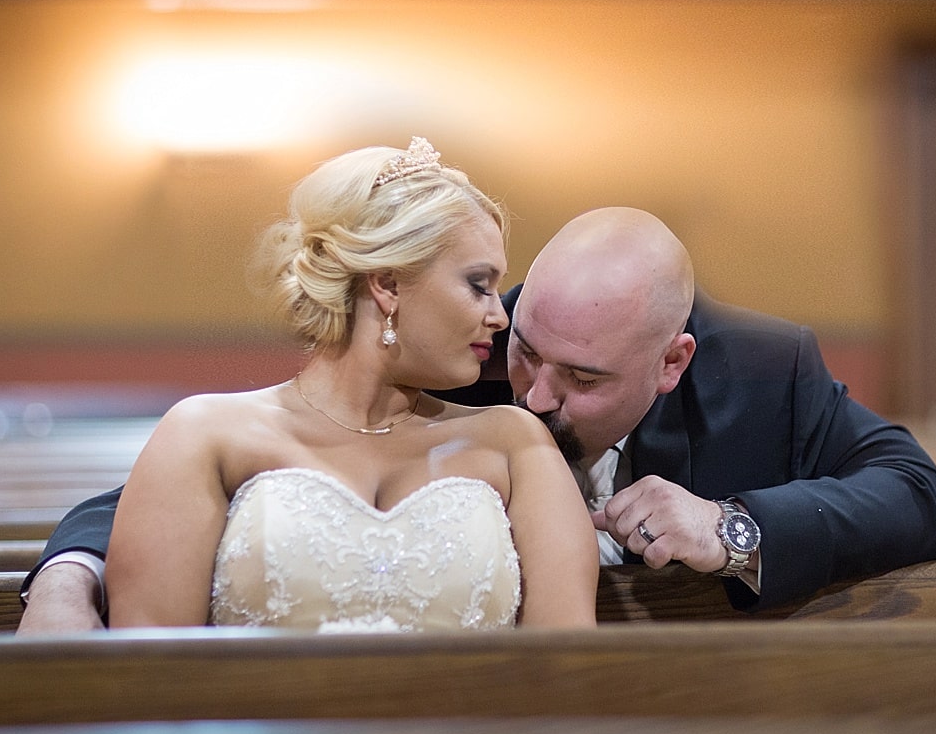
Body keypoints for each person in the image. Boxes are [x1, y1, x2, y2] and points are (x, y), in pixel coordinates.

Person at [19, 205, 936, 631]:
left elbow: (922, 498)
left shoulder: (767, 370)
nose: (535, 395)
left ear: (674, 362)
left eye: (582, 377)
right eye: (528, 352)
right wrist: (68, 578)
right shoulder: (461, 347)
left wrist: (733, 527)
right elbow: (223, 475)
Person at [77, 138, 597, 633]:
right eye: (478, 286)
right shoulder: (206, 433)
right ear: (388, 283)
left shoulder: (515, 441)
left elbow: (567, 665)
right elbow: (150, 670)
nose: (498, 317)